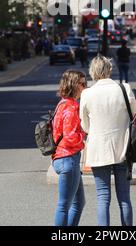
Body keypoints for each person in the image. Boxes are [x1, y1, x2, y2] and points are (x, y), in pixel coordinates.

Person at [80, 55, 136, 226]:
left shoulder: (87, 93)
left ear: (92, 72)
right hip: (123, 148)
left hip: (98, 149)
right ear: (110, 69)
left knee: (103, 197)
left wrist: (97, 131)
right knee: (124, 198)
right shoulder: (124, 89)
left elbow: (84, 125)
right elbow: (135, 117)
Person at [51, 70, 87, 226]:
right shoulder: (72, 107)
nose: (85, 87)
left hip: (61, 158)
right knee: (64, 205)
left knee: (78, 203)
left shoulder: (62, 103)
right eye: (83, 84)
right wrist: (84, 136)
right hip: (68, 159)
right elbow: (71, 137)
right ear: (74, 85)